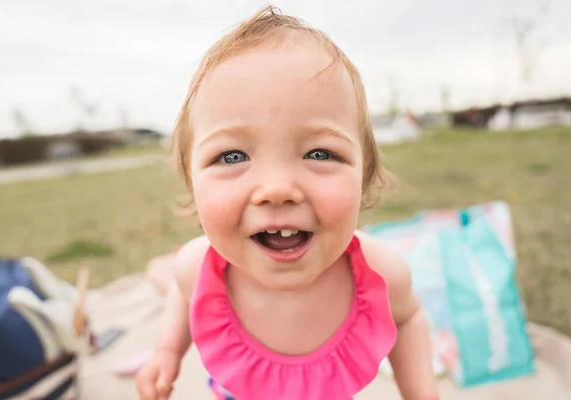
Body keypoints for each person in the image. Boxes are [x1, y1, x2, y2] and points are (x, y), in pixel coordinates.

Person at [137, 5, 438, 400]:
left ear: (363, 177)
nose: (277, 189)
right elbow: (183, 291)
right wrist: (167, 351)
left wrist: (421, 393)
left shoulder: (383, 276)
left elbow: (409, 317)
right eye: (232, 157)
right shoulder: (197, 267)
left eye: (319, 154)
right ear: (192, 182)